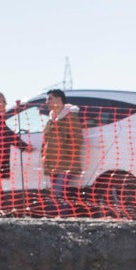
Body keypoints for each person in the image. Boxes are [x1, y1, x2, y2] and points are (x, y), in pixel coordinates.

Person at [40, 88, 84, 216]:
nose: (47, 102)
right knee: (58, 192)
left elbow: (77, 140)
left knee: (57, 192)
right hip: (53, 164)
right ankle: (60, 217)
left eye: (50, 99)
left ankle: (62, 218)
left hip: (65, 163)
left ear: (59, 99)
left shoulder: (70, 117)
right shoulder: (51, 119)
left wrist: (64, 153)